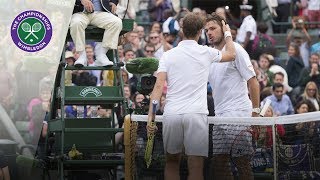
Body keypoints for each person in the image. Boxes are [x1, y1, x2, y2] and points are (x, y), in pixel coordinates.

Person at [146, 12, 236, 180]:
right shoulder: (206, 52)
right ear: (200, 31)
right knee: (196, 167)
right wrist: (228, 32)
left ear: (182, 30)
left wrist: (151, 116)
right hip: (196, 114)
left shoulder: (167, 55)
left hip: (172, 114)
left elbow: (158, 88)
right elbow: (232, 54)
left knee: (172, 163)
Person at [207, 13, 260, 180]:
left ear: (224, 29)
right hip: (219, 117)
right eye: (206, 29)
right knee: (219, 163)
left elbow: (253, 82)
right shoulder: (211, 55)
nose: (209, 32)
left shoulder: (236, 50)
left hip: (238, 115)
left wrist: (255, 114)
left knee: (242, 162)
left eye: (213, 28)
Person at [70, 0, 122, 67]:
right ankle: (81, 55)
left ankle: (101, 55)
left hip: (100, 13)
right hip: (80, 13)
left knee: (116, 22)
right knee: (76, 23)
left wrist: (113, 2)